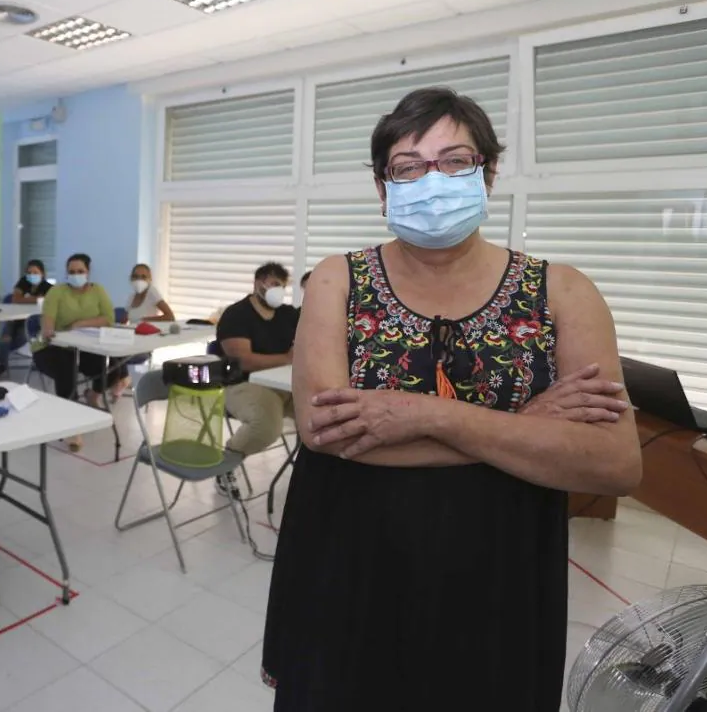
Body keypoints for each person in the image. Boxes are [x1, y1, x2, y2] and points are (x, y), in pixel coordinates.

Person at [263, 87, 641, 711]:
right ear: (384, 190)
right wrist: (523, 430)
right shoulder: (338, 279)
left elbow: (615, 463)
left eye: (454, 161)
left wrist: (420, 414)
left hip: (498, 574)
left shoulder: (562, 291)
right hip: (352, 561)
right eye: (407, 168)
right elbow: (328, 432)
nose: (430, 181)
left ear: (488, 172)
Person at [32, 253, 127, 450]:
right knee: (67, 369)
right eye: (72, 272)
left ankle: (93, 394)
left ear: (88, 272)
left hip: (85, 347)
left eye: (80, 271)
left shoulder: (98, 291)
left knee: (113, 367)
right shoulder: (57, 292)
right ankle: (70, 425)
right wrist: (48, 329)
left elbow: (108, 319)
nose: (76, 275)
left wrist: (79, 324)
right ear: (66, 273)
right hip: (52, 348)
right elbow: (47, 320)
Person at [216, 262, 298, 457]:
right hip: (243, 384)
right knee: (266, 427)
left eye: (282, 287)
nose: (278, 291)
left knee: (322, 416)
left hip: (285, 384)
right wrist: (287, 358)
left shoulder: (288, 314)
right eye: (274, 284)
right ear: (258, 284)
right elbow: (243, 361)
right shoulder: (236, 315)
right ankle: (226, 464)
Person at [0, 259, 51, 379]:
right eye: (29, 273)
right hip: (13, 318)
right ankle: (3, 364)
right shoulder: (23, 282)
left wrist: (26, 298)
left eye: (36, 272)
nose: (32, 275)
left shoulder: (49, 287)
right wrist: (37, 299)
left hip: (30, 322)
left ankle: (0, 355)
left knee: (22, 338)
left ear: (42, 273)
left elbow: (47, 302)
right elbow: (15, 299)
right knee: (5, 336)